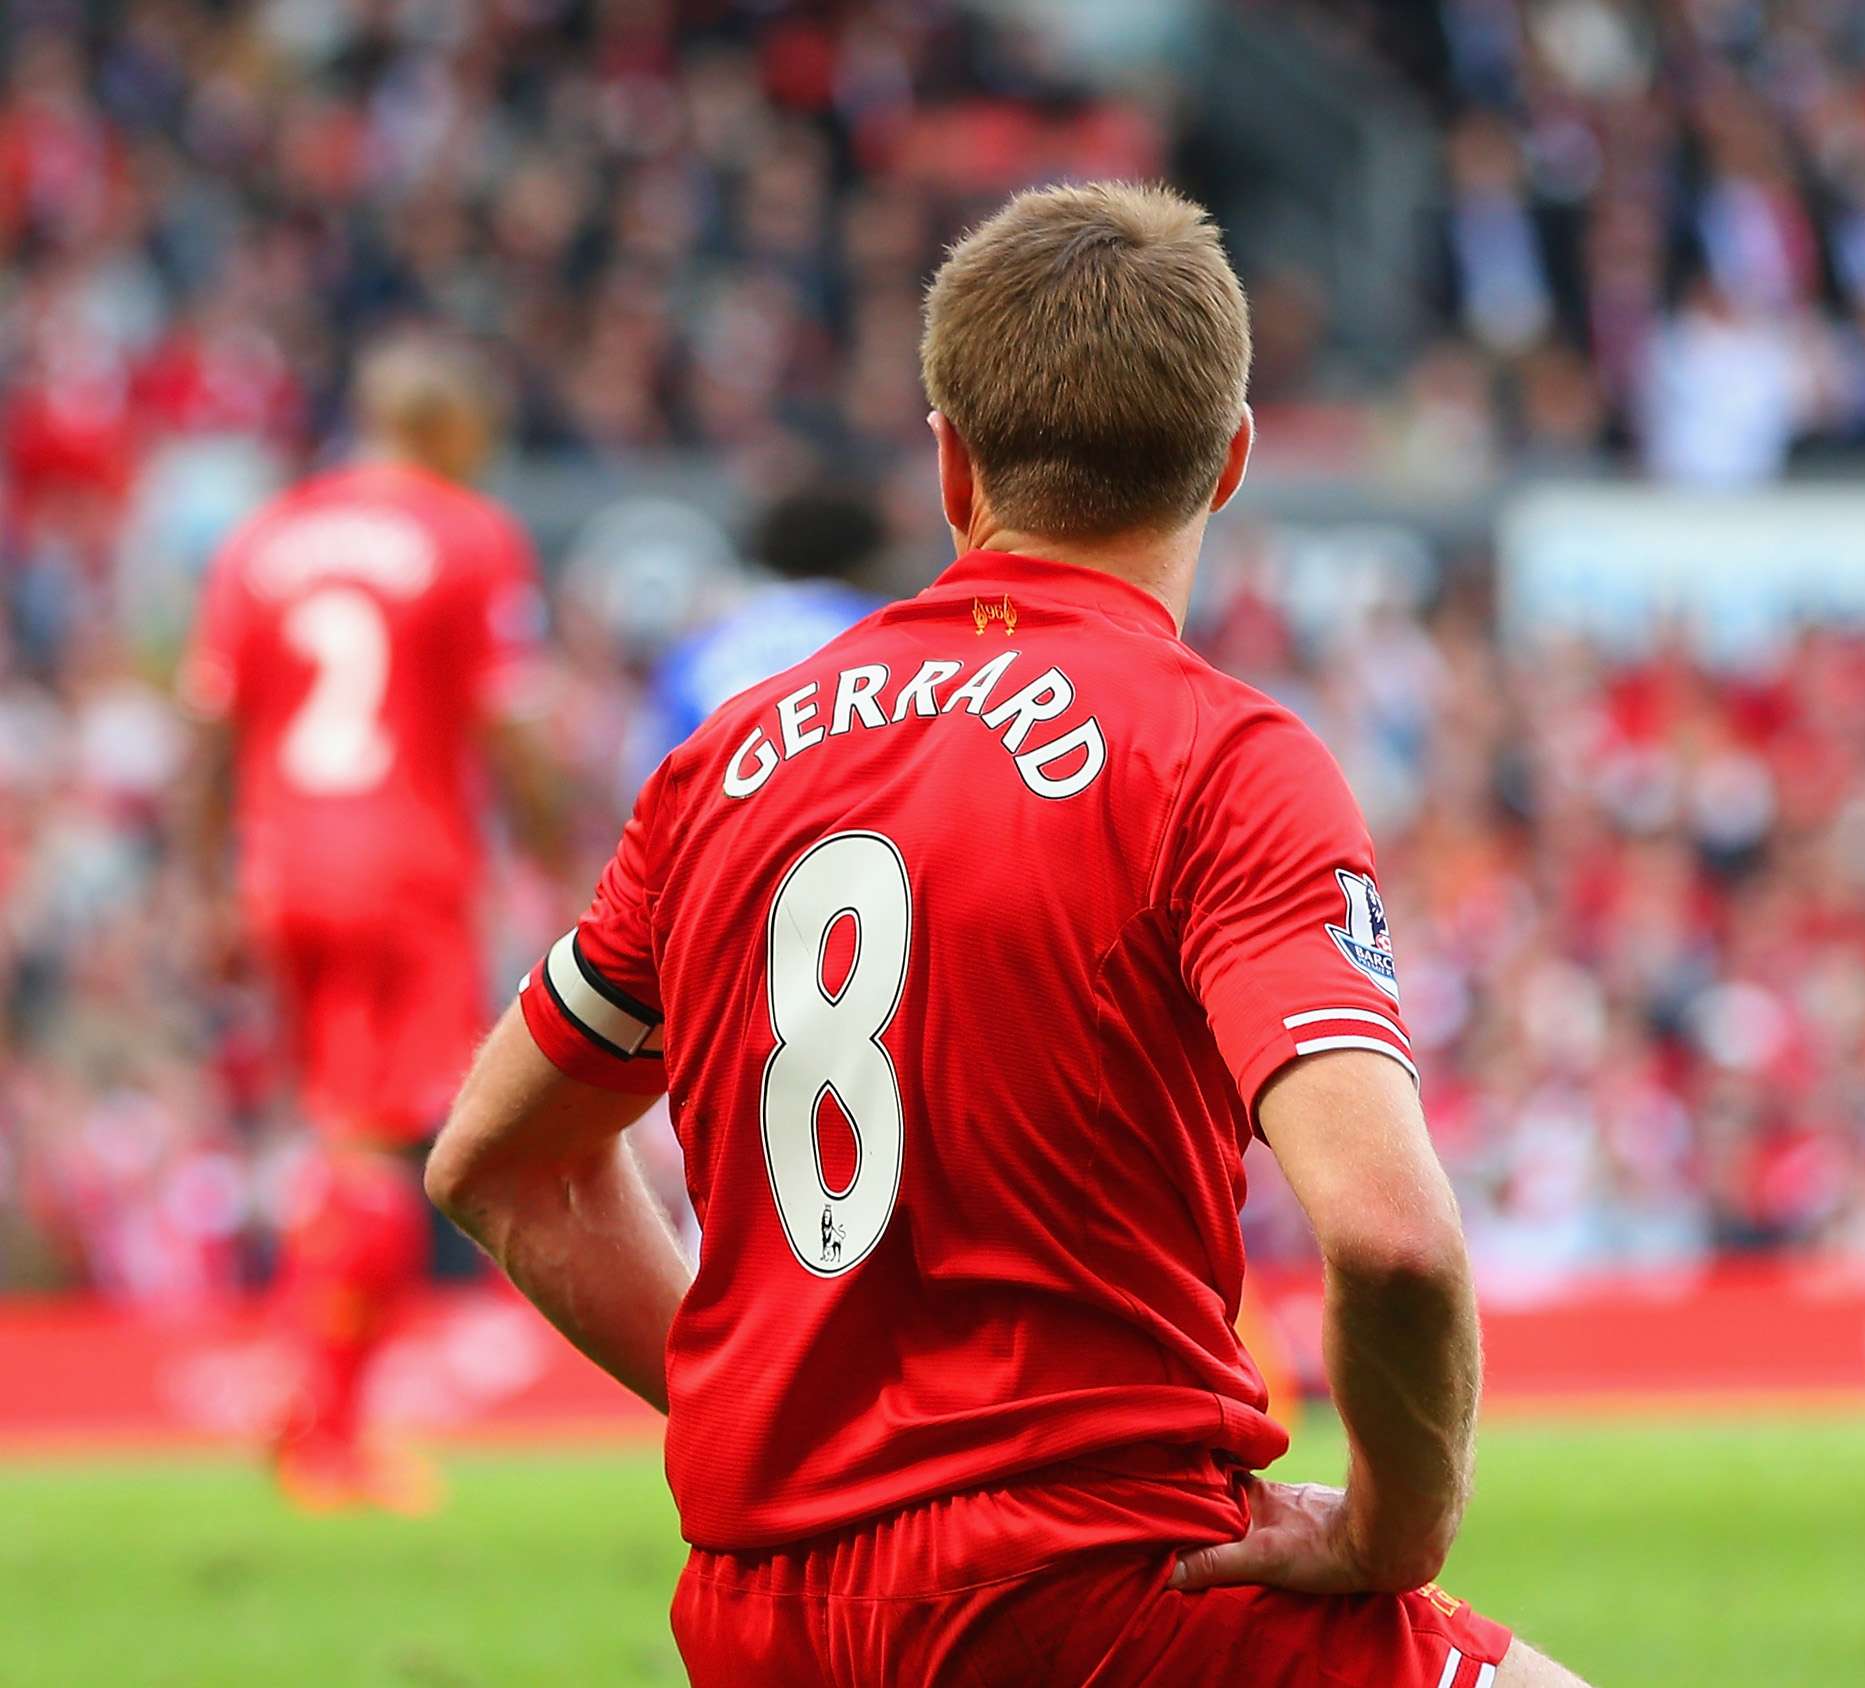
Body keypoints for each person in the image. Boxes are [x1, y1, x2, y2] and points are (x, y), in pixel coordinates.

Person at [425, 182, 1586, 1686]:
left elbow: (494, 1163)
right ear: (1230, 464)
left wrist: (780, 1441)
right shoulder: (1219, 759)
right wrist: (1392, 1538)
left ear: (950, 460)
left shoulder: (726, 763)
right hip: (1106, 1595)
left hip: (767, 1621)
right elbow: (1393, 1241)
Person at [179, 331, 568, 1510]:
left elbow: (208, 728)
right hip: (403, 864)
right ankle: (328, 1433)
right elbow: (507, 722)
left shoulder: (267, 536)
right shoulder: (465, 533)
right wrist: (570, 855)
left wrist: (207, 884)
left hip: (283, 863)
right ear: (452, 432)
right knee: (380, 1142)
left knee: (340, 1128)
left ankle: (314, 1410)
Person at [638, 487, 889, 773]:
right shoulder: (883, 627)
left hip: (725, 804)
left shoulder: (702, 645)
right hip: (849, 804)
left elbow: (650, 771)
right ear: (864, 559)